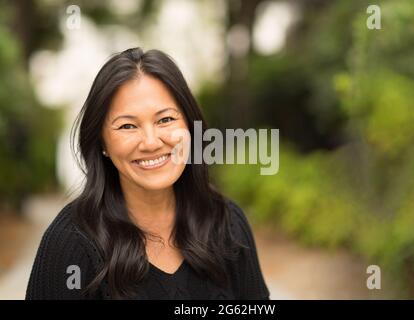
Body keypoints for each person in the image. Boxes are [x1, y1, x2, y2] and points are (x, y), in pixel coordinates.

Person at [25, 48, 270, 300]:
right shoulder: (71, 244)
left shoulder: (226, 224)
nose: (151, 142)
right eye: (128, 126)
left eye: (165, 120)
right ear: (102, 143)